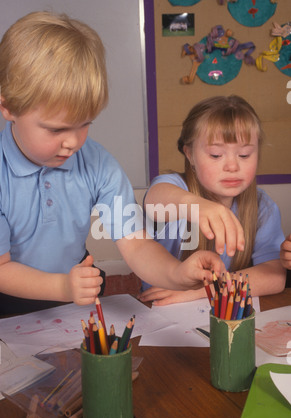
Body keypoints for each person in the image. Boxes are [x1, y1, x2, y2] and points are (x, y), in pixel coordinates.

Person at [0, 11, 224, 315]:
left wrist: (177, 273)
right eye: (56, 129)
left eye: (84, 124)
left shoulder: (97, 164)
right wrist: (61, 287)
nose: (73, 142)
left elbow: (136, 245)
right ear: (8, 108)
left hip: (75, 288)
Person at [140, 95, 286, 305]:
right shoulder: (173, 186)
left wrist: (201, 291)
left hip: (219, 309)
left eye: (244, 155)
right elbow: (154, 202)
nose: (232, 166)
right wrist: (196, 206)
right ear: (189, 154)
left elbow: (274, 277)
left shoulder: (262, 206)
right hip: (161, 311)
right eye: (216, 155)